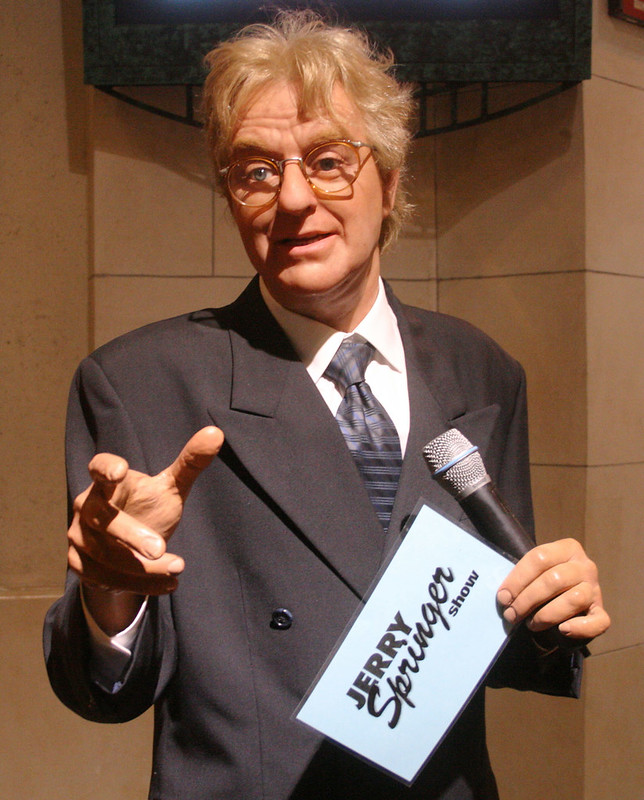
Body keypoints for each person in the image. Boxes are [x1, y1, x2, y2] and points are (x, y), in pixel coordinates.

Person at [43, 11, 609, 800]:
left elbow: (482, 639)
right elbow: (104, 689)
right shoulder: (138, 383)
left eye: (329, 162)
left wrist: (552, 612)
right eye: (256, 170)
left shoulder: (482, 370)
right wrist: (111, 595)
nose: (293, 199)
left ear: (391, 182)